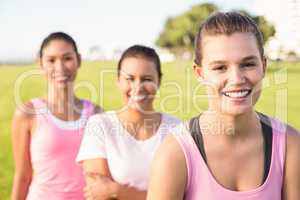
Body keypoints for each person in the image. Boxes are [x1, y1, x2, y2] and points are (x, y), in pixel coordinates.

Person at [147, 12, 300, 200]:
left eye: (248, 64)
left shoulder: (289, 144)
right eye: (220, 67)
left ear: (264, 66)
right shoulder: (176, 151)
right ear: (200, 73)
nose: (236, 79)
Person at [76, 45, 181, 200]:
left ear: (159, 81)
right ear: (118, 81)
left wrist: (118, 191)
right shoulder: (99, 125)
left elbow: (180, 195)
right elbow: (98, 195)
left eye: (147, 79)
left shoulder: (176, 128)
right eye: (130, 79)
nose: (137, 87)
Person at [11, 32, 102, 200]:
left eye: (67, 58)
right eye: (51, 60)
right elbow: (23, 177)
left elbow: (103, 175)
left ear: (78, 60)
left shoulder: (96, 114)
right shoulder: (27, 114)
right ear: (41, 64)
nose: (60, 67)